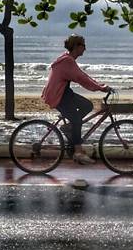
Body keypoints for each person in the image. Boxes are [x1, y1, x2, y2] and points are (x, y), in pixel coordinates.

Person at [40, 34, 110, 165]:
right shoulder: (67, 61)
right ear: (77, 46)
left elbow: (83, 75)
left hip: (62, 92)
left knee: (87, 106)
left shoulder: (67, 59)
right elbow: (81, 78)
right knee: (77, 118)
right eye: (83, 45)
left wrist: (100, 86)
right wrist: (101, 88)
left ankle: (70, 127)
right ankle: (78, 151)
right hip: (58, 95)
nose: (85, 48)